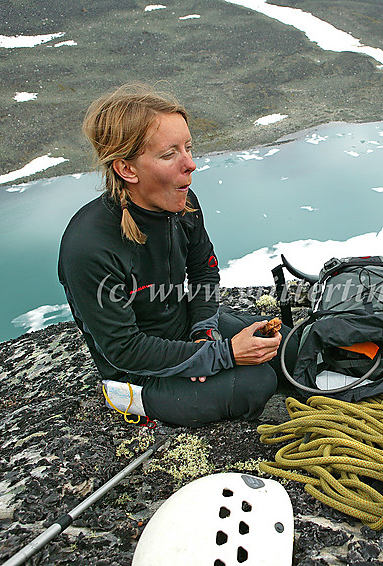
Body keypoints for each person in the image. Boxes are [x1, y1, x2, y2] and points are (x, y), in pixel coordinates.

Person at [58, 83, 295, 427]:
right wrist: (222, 355)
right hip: (136, 370)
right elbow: (125, 349)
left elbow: (204, 273)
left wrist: (204, 335)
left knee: (284, 346)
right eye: (170, 154)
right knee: (257, 382)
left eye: (188, 148)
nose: (191, 164)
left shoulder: (183, 202)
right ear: (127, 169)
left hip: (182, 328)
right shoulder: (90, 246)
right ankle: (128, 400)